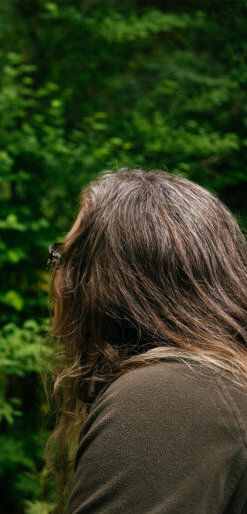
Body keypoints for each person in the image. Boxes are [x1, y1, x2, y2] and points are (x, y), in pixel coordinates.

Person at [47, 168, 247, 512]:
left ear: (101, 283)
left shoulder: (167, 395)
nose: (56, 277)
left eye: (62, 258)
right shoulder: (217, 384)